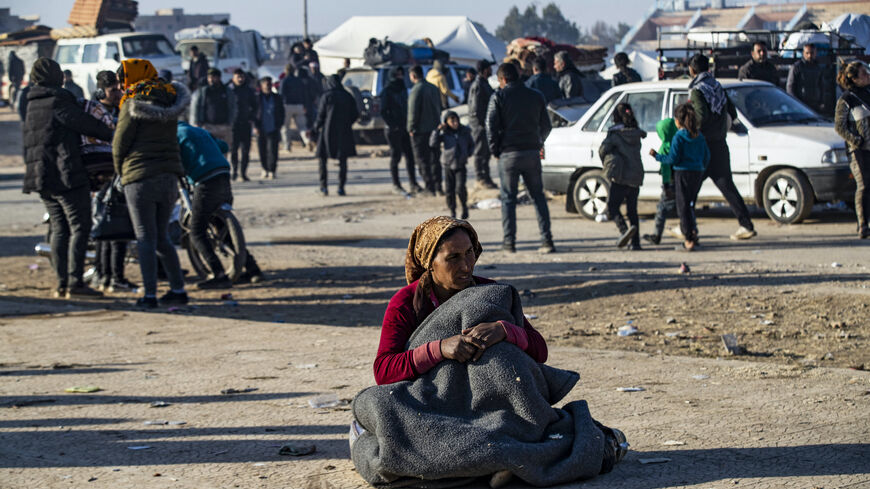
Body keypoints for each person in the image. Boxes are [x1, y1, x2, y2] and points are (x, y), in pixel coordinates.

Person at [358, 216, 627, 486]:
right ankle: (498, 459)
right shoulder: (406, 303)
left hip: (491, 402)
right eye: (453, 258)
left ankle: (489, 460)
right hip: (437, 403)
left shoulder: (490, 294)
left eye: (470, 253)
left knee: (505, 363)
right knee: (382, 405)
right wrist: (440, 348)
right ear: (430, 262)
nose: (465, 265)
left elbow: (539, 350)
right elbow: (384, 371)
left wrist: (504, 330)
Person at [22, 57, 113, 299]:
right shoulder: (58, 101)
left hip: (42, 177)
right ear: (56, 76)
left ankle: (62, 283)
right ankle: (75, 283)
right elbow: (85, 124)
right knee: (80, 227)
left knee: (60, 229)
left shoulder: (32, 102)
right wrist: (112, 132)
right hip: (65, 175)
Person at [112, 58, 191, 308]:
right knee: (162, 238)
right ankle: (178, 289)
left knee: (145, 237)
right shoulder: (170, 101)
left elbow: (120, 144)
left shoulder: (132, 103)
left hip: (140, 177)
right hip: (169, 177)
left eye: (123, 80)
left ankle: (149, 296)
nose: (122, 86)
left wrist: (120, 173)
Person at [177, 120, 263, 288]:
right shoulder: (199, 131)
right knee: (223, 229)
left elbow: (173, 162)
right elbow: (223, 146)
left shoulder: (172, 136)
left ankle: (219, 274)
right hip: (224, 177)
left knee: (197, 231)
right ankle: (253, 270)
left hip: (205, 182)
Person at [486, 62, 554, 254]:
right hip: (531, 153)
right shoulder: (536, 96)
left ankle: (509, 243)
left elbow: (490, 128)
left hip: (508, 154)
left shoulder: (498, 97)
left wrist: (496, 151)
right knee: (538, 197)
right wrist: (537, 143)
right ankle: (547, 241)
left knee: (508, 199)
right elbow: (547, 126)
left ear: (503, 79)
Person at [689, 53, 756, 240]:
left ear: (691, 70)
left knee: (690, 188)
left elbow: (701, 116)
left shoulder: (697, 90)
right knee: (727, 186)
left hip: (703, 147)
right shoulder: (717, 86)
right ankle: (746, 225)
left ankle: (687, 227)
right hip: (720, 145)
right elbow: (732, 112)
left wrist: (692, 130)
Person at [81, 70, 135, 292]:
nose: (116, 94)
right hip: (103, 175)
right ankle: (110, 276)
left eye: (118, 89)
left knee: (111, 228)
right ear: (101, 91)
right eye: (113, 90)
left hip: (116, 173)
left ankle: (107, 275)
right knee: (113, 228)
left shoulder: (122, 108)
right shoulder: (94, 112)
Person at [651, 103, 711, 251]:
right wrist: (700, 167)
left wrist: (657, 156)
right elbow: (707, 156)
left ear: (678, 121)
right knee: (690, 204)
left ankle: (688, 240)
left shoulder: (679, 137)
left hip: (682, 173)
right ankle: (693, 232)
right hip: (697, 173)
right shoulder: (699, 135)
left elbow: (672, 159)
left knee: (682, 207)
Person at [599, 103, 646, 250]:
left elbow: (603, 149)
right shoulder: (636, 132)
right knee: (632, 211)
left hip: (621, 176)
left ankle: (625, 231)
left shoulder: (614, 135)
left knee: (613, 207)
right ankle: (636, 243)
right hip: (636, 175)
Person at [833, 61, 870, 239]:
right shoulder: (846, 99)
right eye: (864, 73)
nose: (868, 75)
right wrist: (856, 140)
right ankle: (862, 224)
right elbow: (839, 127)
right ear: (854, 79)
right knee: (863, 185)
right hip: (858, 150)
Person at [314, 75, 358, 196]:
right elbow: (355, 114)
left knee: (322, 159)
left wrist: (316, 128)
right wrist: (347, 123)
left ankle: (324, 187)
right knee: (343, 161)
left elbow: (321, 115)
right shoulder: (347, 96)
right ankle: (341, 187)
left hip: (327, 132)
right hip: (344, 132)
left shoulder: (327, 96)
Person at [379, 66, 421, 195]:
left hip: (404, 127)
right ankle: (396, 184)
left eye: (401, 74)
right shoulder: (387, 91)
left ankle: (413, 183)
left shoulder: (403, 89)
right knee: (395, 156)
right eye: (397, 75)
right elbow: (383, 111)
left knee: (410, 156)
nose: (400, 77)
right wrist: (393, 125)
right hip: (392, 130)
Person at [430, 111, 474, 219]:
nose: (455, 123)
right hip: (448, 164)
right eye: (451, 121)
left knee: (460, 188)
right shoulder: (444, 133)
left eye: (456, 120)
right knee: (450, 190)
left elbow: (472, 144)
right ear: (446, 122)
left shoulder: (464, 131)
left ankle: (464, 207)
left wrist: (467, 154)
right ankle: (452, 211)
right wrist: (437, 130)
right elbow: (432, 143)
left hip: (460, 164)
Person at [408, 65, 443, 196]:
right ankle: (438, 186)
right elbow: (439, 107)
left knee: (422, 160)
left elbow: (413, 111)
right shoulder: (433, 88)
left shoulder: (416, 90)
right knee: (434, 159)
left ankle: (430, 187)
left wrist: (411, 127)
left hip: (420, 131)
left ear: (413, 75)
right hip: (434, 129)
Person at [643, 117, 678, 245]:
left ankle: (656, 235)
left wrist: (666, 186)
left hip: (671, 182)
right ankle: (691, 232)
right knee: (684, 208)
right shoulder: (678, 142)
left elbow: (665, 169)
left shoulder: (665, 148)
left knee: (662, 209)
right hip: (682, 179)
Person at [467, 59, 498, 189]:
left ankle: (486, 177)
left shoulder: (484, 83)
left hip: (485, 125)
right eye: (489, 68)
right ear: (485, 70)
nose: (491, 71)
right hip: (480, 126)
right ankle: (480, 177)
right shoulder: (478, 85)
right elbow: (475, 109)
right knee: (480, 153)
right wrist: (483, 124)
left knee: (486, 153)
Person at [190, 68, 235, 149]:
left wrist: (231, 122)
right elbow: (195, 108)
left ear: (219, 78)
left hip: (224, 127)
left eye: (213, 77)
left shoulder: (227, 91)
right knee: (209, 152)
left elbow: (233, 107)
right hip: (208, 126)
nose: (210, 79)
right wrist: (196, 123)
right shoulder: (204, 91)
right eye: (209, 77)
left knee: (223, 152)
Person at [787, 43, 835, 118]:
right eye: (807, 53)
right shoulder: (797, 67)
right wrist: (794, 104)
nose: (809, 55)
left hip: (815, 104)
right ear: (803, 53)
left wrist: (822, 101)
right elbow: (790, 87)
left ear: (815, 53)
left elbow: (822, 86)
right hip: (801, 104)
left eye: (812, 53)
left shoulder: (818, 68)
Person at [227, 69, 257, 181]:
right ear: (233, 77)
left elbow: (255, 106)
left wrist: (252, 118)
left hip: (245, 123)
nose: (240, 79)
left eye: (242, 77)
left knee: (246, 150)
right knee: (234, 149)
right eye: (237, 77)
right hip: (233, 124)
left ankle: (243, 172)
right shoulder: (229, 90)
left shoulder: (248, 90)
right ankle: (234, 171)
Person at [253, 77, 285, 179]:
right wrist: (255, 126)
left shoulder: (277, 97)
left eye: (269, 84)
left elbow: (282, 112)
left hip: (273, 127)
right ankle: (264, 169)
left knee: (273, 150)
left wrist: (280, 124)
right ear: (261, 85)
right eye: (266, 84)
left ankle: (272, 170)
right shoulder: (257, 98)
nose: (268, 86)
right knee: (262, 150)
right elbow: (253, 113)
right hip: (260, 127)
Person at [279, 64, 312, 151]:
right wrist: (304, 105)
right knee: (302, 127)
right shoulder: (299, 81)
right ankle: (307, 141)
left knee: (285, 127)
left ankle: (287, 147)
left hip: (287, 105)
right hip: (299, 105)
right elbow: (305, 94)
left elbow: (281, 94)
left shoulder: (284, 80)